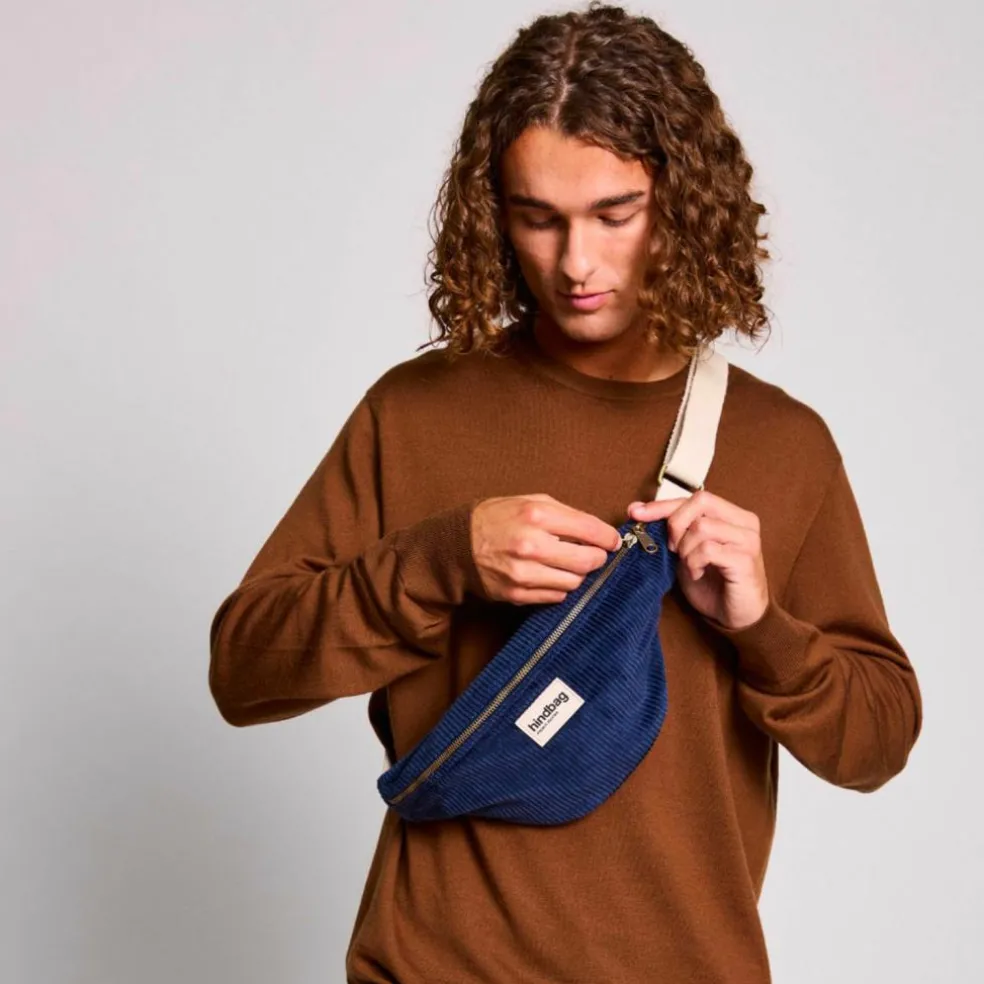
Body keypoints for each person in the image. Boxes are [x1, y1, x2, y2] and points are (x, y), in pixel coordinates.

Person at [208, 4, 922, 981]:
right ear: (493, 213)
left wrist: (763, 629)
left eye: (614, 215)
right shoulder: (415, 413)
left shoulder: (781, 446)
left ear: (683, 202)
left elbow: (878, 742)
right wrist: (439, 561)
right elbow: (243, 671)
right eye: (537, 218)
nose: (575, 263)